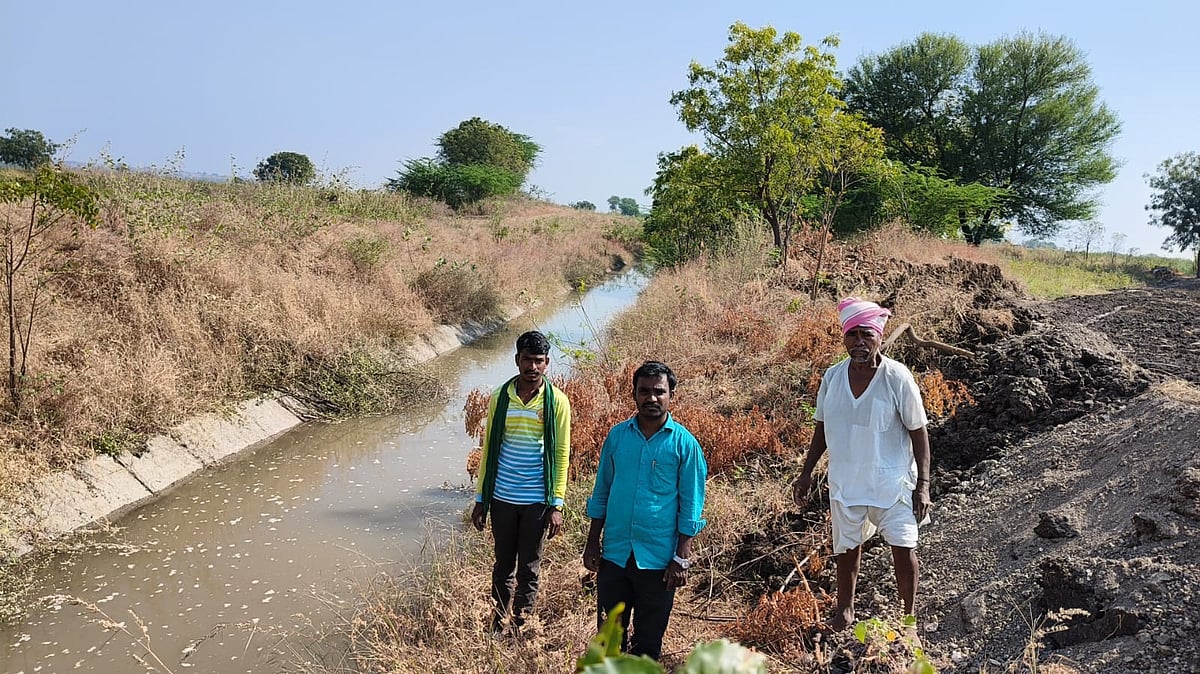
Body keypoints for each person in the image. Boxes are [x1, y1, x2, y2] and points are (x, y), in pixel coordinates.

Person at [791, 297, 932, 632]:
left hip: (893, 483)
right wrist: (807, 472)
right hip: (846, 483)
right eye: (852, 335)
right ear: (844, 338)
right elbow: (822, 428)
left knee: (903, 547)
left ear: (879, 337)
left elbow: (919, 433)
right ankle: (845, 613)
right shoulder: (833, 377)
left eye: (866, 335)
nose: (859, 342)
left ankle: (908, 621)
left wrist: (923, 485)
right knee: (847, 550)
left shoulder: (897, 378)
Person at [582, 361, 707, 660]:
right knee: (608, 642)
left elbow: (691, 506)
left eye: (659, 392)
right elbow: (602, 491)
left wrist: (681, 558)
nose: (651, 398)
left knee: (647, 647)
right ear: (634, 395)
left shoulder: (685, 445)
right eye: (644, 391)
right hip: (614, 556)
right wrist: (591, 542)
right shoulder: (617, 437)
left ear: (671, 395)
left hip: (659, 563)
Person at [471, 330, 572, 633]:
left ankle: (521, 621)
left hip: (537, 502)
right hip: (502, 497)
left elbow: (561, 453)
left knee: (529, 567)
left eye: (538, 361)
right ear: (517, 360)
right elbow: (489, 449)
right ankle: (498, 619)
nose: (532, 367)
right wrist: (481, 499)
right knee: (503, 565)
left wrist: (557, 503)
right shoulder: (501, 397)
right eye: (527, 360)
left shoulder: (557, 402)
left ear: (547, 363)